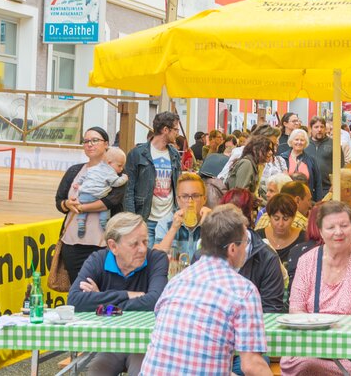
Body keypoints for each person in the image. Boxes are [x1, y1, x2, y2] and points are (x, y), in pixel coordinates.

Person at [141, 207, 272, 376]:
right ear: (232, 249)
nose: (247, 248)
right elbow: (252, 365)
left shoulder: (177, 281)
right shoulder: (243, 291)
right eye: (245, 242)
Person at [282, 202, 351, 375]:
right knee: (299, 363)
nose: (339, 232)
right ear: (320, 231)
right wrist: (319, 335)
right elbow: (296, 309)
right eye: (331, 227)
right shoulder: (307, 261)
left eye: (344, 225)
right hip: (313, 345)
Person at [68, 213, 168, 376]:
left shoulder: (156, 259)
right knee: (96, 373)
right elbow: (74, 300)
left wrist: (101, 301)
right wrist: (129, 294)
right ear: (113, 246)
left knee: (143, 372)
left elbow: (155, 301)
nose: (142, 249)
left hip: (145, 343)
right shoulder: (98, 260)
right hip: (110, 343)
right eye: (134, 244)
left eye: (145, 241)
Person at [56, 127, 126, 280]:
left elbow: (110, 202)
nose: (90, 144)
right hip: (72, 244)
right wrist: (67, 204)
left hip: (103, 245)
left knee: (102, 291)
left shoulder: (118, 173)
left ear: (106, 144)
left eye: (95, 140)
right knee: (78, 291)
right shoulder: (74, 171)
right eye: (86, 141)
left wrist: (81, 207)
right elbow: (59, 201)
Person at [124, 111, 182, 244]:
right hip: (145, 219)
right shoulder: (138, 154)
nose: (177, 134)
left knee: (166, 260)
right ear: (165, 129)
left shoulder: (174, 154)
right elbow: (129, 190)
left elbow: (177, 185)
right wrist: (132, 220)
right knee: (145, 260)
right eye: (175, 130)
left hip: (169, 219)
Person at [74, 147, 128, 238]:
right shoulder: (110, 171)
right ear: (109, 163)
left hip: (83, 194)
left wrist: (78, 184)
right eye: (119, 166)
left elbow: (85, 176)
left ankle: (81, 223)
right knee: (105, 208)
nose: (122, 169)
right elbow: (116, 183)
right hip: (97, 195)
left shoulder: (94, 168)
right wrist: (124, 178)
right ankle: (104, 225)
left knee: (82, 209)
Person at [256, 194, 306, 266]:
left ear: (294, 217)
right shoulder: (258, 237)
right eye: (276, 219)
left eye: (286, 219)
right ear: (269, 217)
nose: (280, 224)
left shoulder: (304, 239)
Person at [306, 116, 344, 195]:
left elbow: (341, 166)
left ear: (325, 129)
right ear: (311, 129)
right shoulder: (305, 144)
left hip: (328, 188)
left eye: (322, 127)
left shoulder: (334, 144)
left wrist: (336, 184)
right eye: (316, 127)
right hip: (308, 187)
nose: (319, 130)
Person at [284, 129, 323, 201]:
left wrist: (318, 202)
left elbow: (318, 183)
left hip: (306, 200)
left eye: (302, 140)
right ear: (291, 141)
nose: (299, 142)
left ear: (305, 143)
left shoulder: (311, 160)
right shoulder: (283, 158)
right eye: (296, 139)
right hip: (287, 199)